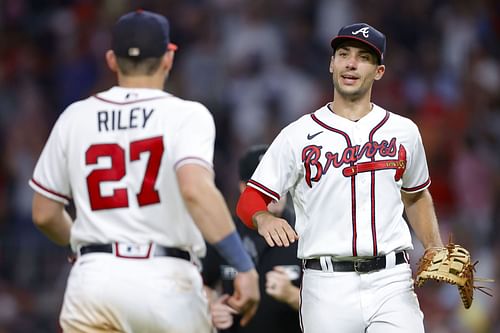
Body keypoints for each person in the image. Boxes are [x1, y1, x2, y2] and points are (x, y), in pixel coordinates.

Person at [29, 10, 259, 333]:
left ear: (112, 60)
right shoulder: (186, 115)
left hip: (94, 279)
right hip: (165, 280)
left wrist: (83, 243)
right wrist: (243, 264)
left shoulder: (75, 117)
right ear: (168, 58)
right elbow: (195, 189)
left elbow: (43, 213)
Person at [236, 23, 445, 333]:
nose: (351, 63)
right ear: (331, 64)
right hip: (327, 284)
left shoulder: (404, 131)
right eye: (343, 54)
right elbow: (249, 200)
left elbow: (415, 195)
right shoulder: (297, 135)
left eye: (363, 57)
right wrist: (263, 218)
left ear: (379, 71)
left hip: (392, 281)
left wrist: (435, 247)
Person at [202, 144, 302, 332]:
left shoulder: (305, 231)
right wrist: (211, 307)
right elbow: (200, 284)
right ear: (243, 188)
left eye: (278, 182)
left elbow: (331, 306)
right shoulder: (225, 233)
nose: (273, 192)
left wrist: (292, 295)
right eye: (262, 185)